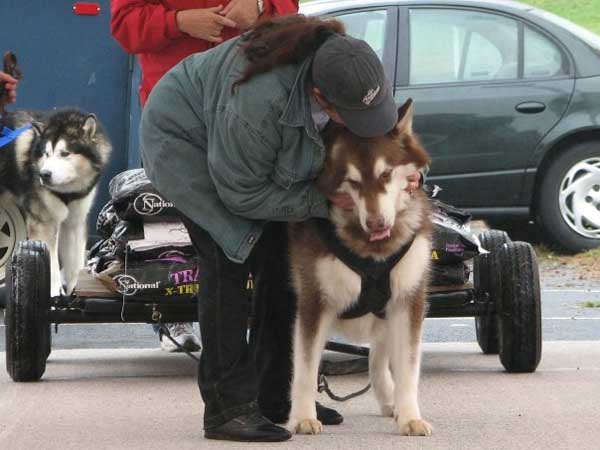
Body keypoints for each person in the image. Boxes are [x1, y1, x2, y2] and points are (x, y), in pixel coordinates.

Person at [139, 15, 422, 442]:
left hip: (244, 148)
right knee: (230, 258)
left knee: (283, 264)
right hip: (187, 143)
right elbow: (240, 195)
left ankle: (278, 397)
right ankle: (227, 408)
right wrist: (324, 203)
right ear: (321, 97)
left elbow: (379, 143)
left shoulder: (348, 67)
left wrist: (408, 173)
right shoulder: (260, 104)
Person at [110, 0, 298, 352]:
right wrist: (179, 22)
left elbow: (289, 12)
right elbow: (124, 26)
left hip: (253, 117)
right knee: (220, 252)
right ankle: (231, 396)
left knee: (276, 251)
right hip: (184, 127)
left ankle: (276, 386)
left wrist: (258, 7)